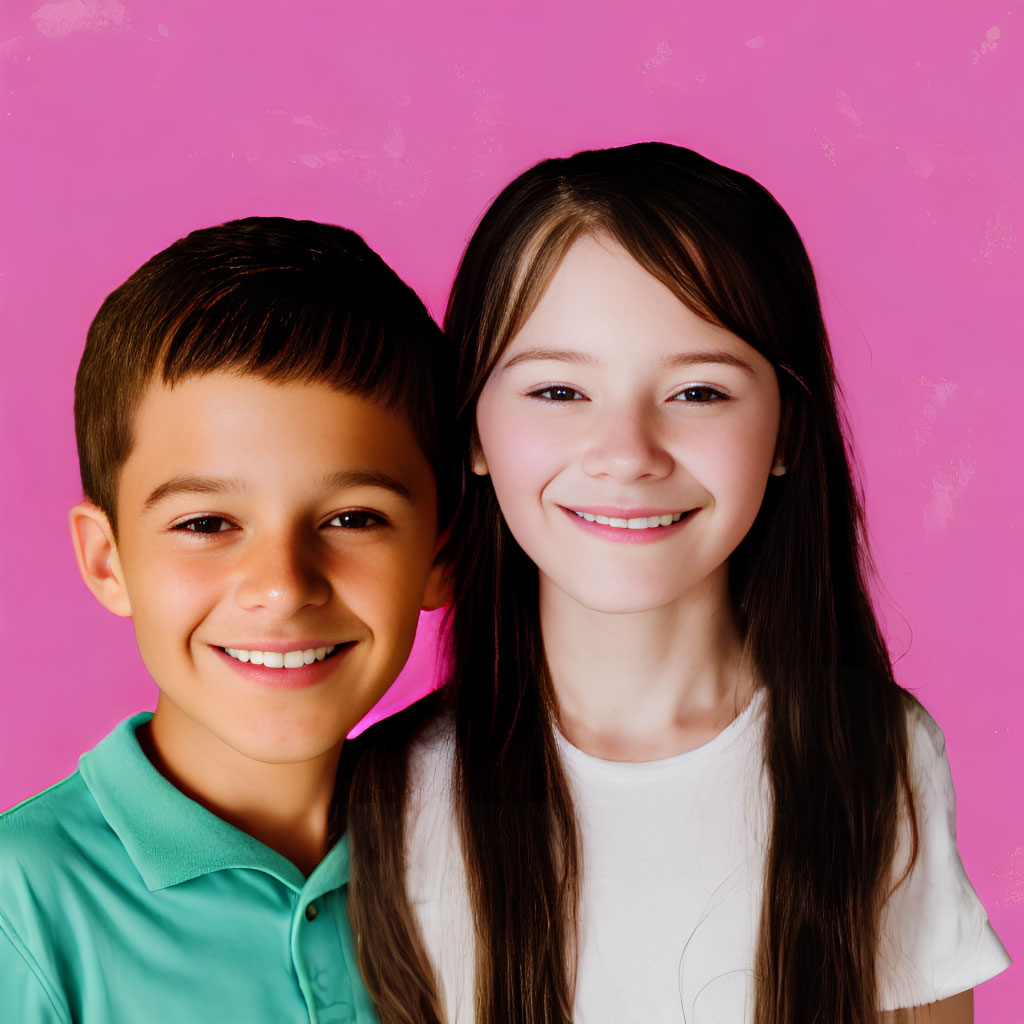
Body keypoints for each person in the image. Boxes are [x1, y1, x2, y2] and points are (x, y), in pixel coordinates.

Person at [343, 144, 1010, 1024]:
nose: (627, 453)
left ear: (784, 434)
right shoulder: (382, 797)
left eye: (697, 392)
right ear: (472, 431)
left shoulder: (877, 756)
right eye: (557, 391)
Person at [0, 217, 452, 1023]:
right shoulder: (22, 909)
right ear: (108, 560)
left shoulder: (492, 852)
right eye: (206, 524)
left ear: (442, 553)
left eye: (353, 519)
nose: (281, 588)